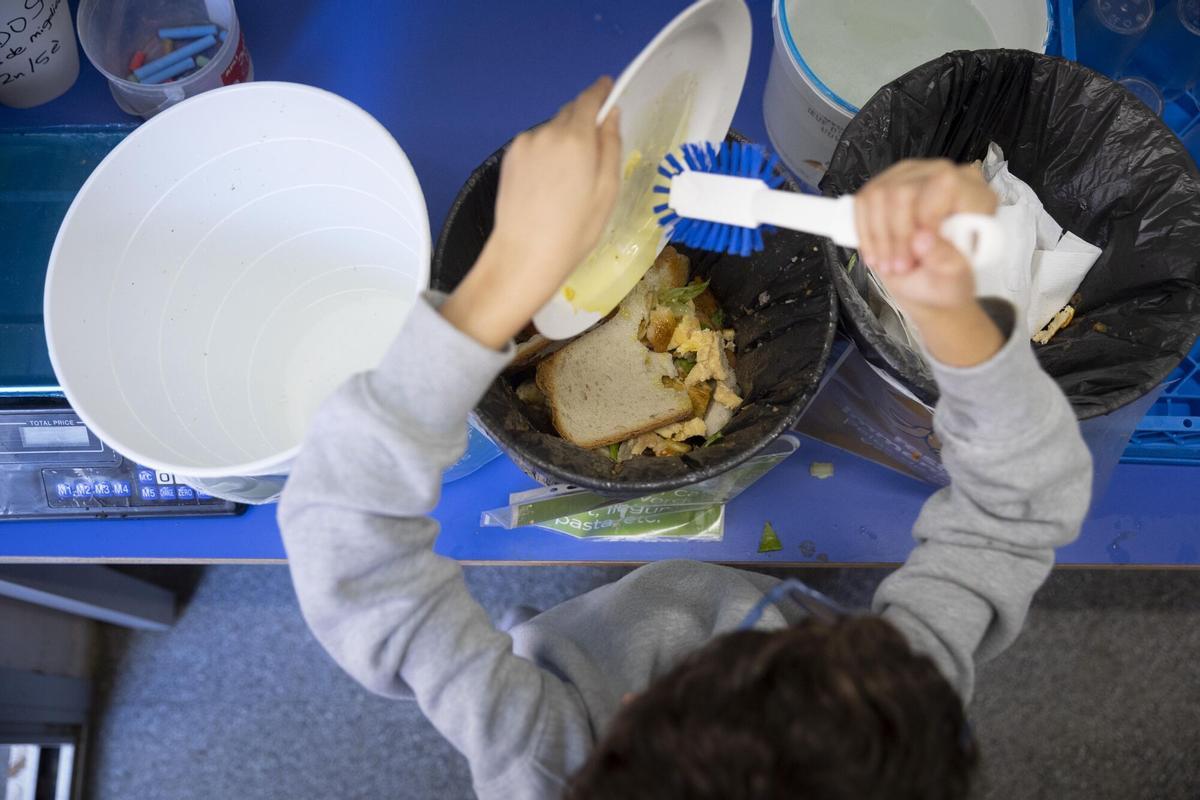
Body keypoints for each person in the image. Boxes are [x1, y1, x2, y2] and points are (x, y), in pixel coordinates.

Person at [278, 78, 1092, 800]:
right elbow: (1017, 508)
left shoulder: (541, 758)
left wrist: (502, 280)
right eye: (805, 638)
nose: (713, 640)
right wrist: (951, 313)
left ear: (628, 715)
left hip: (570, 649)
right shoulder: (888, 716)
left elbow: (348, 545)